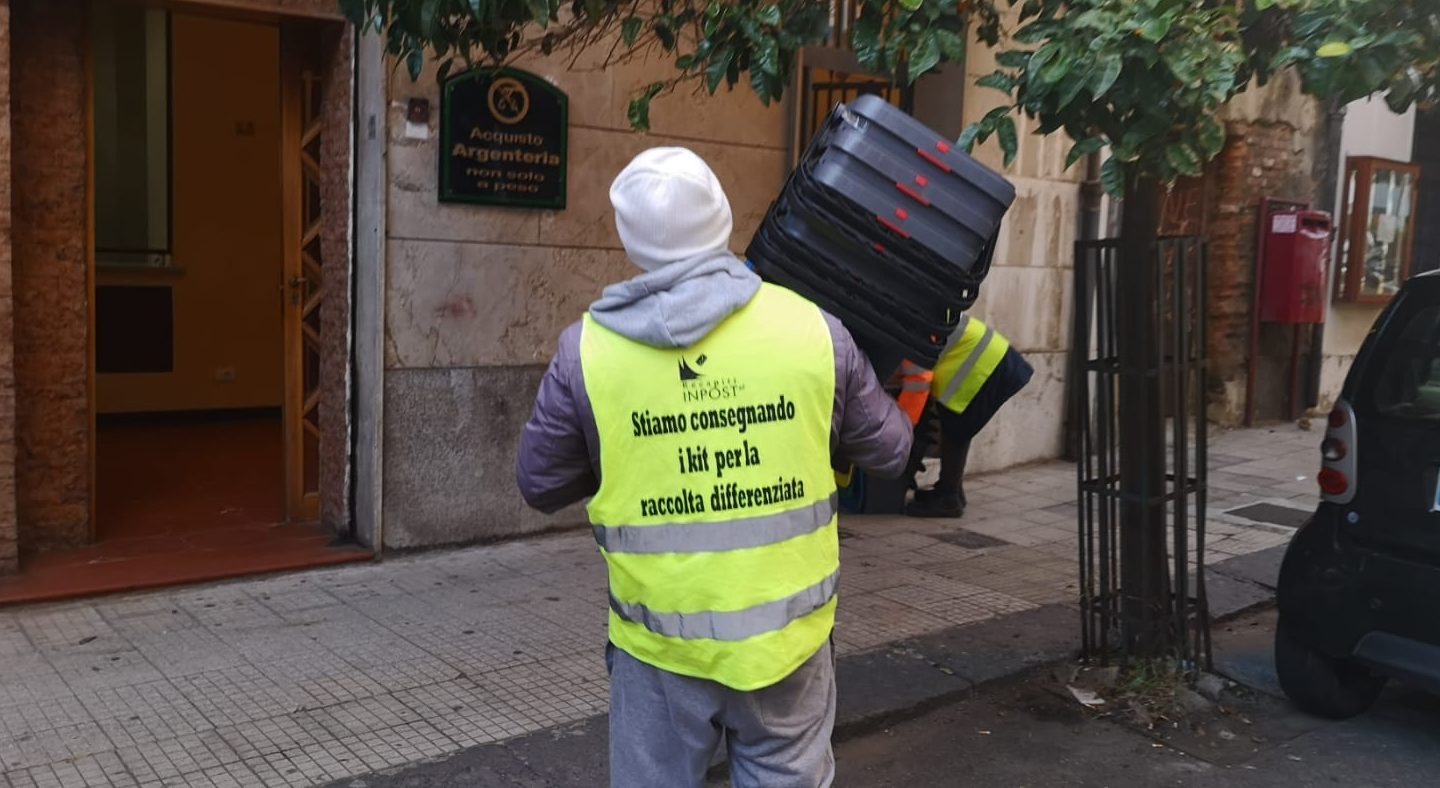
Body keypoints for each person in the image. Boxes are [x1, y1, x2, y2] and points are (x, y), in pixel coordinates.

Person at [516, 147, 912, 788]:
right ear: (723, 220)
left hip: (658, 653)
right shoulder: (816, 331)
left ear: (630, 239)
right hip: (788, 649)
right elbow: (891, 450)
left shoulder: (585, 352)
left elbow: (540, 484)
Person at [906, 315, 1033, 518]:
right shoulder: (919, 312)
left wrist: (903, 428)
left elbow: (918, 383)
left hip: (981, 364)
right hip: (994, 356)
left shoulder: (908, 330)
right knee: (957, 428)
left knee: (956, 429)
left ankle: (948, 499)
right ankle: (951, 490)